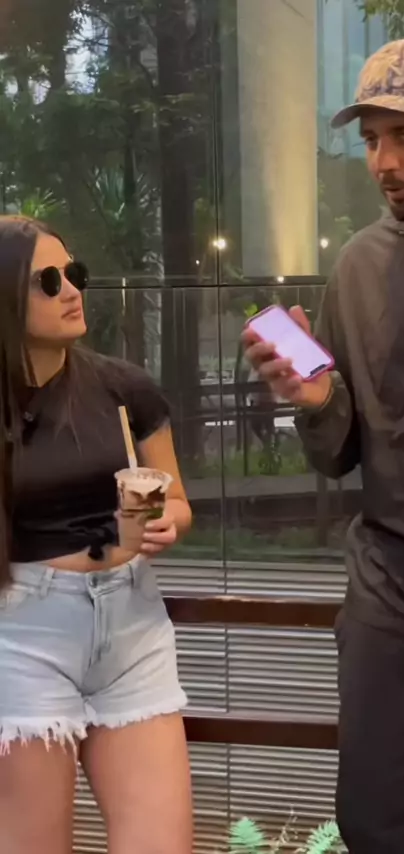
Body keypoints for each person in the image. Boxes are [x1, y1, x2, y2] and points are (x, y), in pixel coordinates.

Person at [243, 37, 404, 854]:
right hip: (388, 614)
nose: (383, 161)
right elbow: (337, 453)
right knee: (382, 835)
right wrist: (315, 401)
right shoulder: (357, 267)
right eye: (372, 139)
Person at [0, 215, 192, 854]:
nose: (72, 291)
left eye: (74, 274)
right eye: (47, 281)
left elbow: (177, 500)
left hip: (132, 626)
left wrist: (167, 521)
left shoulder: (123, 386)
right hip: (22, 635)